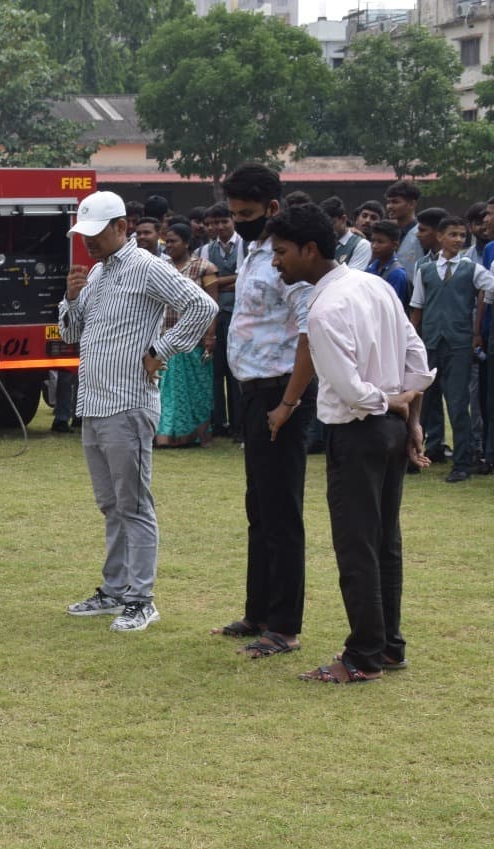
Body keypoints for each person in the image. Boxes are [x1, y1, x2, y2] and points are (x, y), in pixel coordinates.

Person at [264, 202, 434, 684]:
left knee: (358, 547)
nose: (276, 262)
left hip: (360, 430)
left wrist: (396, 403)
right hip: (388, 427)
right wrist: (408, 409)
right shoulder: (375, 285)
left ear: (309, 250)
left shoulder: (324, 307)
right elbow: (417, 359)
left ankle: (362, 656)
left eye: (280, 252)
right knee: (385, 542)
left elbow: (352, 390)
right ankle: (388, 647)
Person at [57, 190, 216, 633]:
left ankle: (141, 599)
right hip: (95, 401)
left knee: (134, 504)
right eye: (83, 234)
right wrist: (70, 298)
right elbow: (72, 332)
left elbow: (202, 305)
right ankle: (115, 590)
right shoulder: (98, 273)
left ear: (121, 227)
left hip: (127, 402)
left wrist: (160, 349)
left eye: (96, 233)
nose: (87, 242)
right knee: (112, 504)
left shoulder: (146, 266)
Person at [213, 163, 316, 658]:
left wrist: (288, 402)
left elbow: (309, 336)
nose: (237, 221)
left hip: (280, 393)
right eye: (233, 213)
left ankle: (284, 625)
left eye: (246, 213)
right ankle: (258, 611)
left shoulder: (288, 259)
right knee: (259, 507)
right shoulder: (251, 249)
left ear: (272, 209)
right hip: (253, 391)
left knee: (281, 510)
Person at [409, 215, 494, 482]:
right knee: (422, 405)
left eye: (462, 236)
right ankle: (416, 455)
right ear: (440, 237)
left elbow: (489, 290)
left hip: (458, 344)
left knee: (458, 405)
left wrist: (477, 331)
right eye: (453, 234)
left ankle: (462, 462)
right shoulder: (424, 269)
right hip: (430, 342)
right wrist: (411, 341)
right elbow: (417, 307)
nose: (458, 239)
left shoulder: (472, 268)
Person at [155, 222, 217, 448]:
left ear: (187, 243)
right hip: (166, 338)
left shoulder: (204, 268)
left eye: (173, 241)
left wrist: (211, 336)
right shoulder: (161, 267)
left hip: (195, 341)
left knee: (197, 391)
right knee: (168, 391)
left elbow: (212, 304)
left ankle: (197, 435)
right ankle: (167, 436)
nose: (168, 245)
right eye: (167, 241)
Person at [199, 202, 242, 439]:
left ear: (232, 221)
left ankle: (238, 424)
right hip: (215, 316)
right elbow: (206, 284)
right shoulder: (205, 250)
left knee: (236, 372)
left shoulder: (244, 245)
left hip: (238, 316)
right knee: (215, 372)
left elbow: (243, 279)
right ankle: (218, 423)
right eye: (214, 223)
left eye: (223, 221)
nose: (219, 227)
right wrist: (231, 281)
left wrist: (217, 282)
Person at [366, 221, 412, 307]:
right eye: (372, 241)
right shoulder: (371, 267)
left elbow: (392, 307)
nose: (374, 246)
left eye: (380, 242)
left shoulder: (396, 274)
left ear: (395, 245)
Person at [386, 180, 425, 276]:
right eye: (389, 202)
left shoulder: (421, 234)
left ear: (412, 204)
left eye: (395, 202)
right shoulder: (388, 232)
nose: (389, 206)